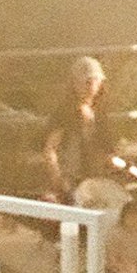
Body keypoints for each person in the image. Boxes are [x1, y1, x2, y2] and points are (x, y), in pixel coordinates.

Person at [38, 55, 117, 201]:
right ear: (74, 83)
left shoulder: (100, 112)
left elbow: (107, 148)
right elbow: (50, 149)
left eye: (94, 81)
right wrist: (59, 180)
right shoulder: (65, 112)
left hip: (92, 179)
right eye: (86, 82)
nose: (90, 86)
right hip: (69, 178)